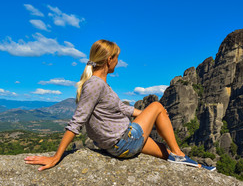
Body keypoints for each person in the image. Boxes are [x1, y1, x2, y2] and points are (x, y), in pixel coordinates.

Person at [24, 39, 215, 171]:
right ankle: (180, 153)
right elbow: (77, 121)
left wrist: (143, 114)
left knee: (165, 152)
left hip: (119, 145)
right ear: (109, 60)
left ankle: (195, 166)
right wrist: (56, 157)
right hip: (124, 140)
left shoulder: (97, 82)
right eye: (117, 58)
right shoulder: (96, 84)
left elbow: (120, 108)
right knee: (157, 106)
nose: (119, 62)